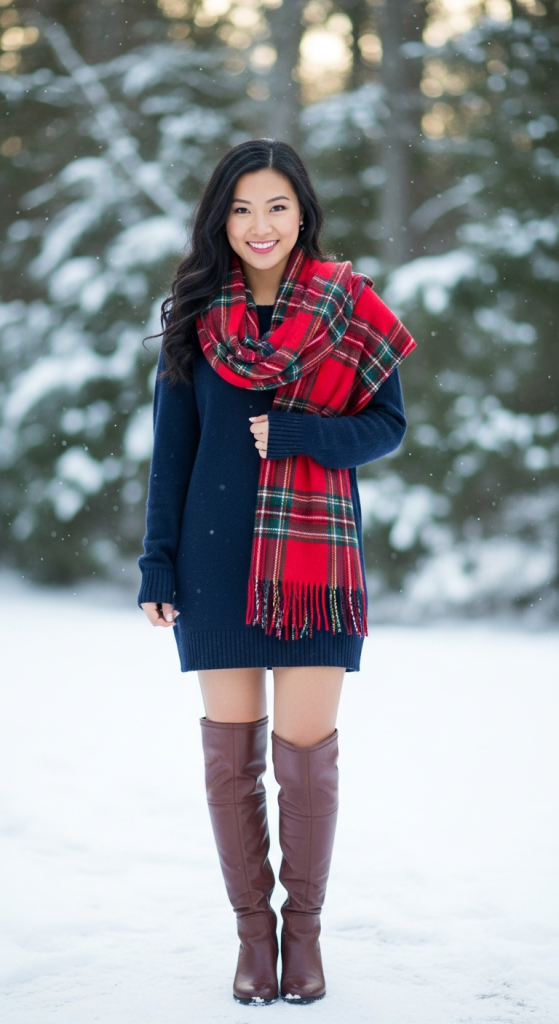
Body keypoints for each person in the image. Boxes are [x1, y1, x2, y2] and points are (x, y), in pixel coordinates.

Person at [138, 138, 415, 1006]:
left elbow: (386, 426)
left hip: (313, 564)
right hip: (214, 555)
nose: (259, 225)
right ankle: (252, 938)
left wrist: (303, 436)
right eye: (241, 209)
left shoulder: (349, 305)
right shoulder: (195, 313)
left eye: (276, 207)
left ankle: (305, 936)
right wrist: (157, 562)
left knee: (304, 761)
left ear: (302, 214)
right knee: (230, 764)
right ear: (220, 219)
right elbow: (171, 452)